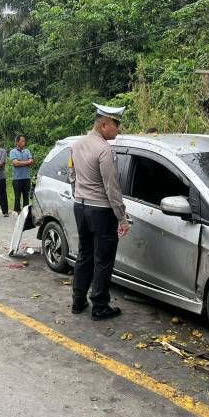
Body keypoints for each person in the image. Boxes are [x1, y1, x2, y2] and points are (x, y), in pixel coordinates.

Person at [68, 104, 130, 321]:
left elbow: (72, 176)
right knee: (103, 259)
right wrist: (122, 217)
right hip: (101, 211)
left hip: (81, 206)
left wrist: (79, 197)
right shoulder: (104, 150)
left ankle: (78, 300)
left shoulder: (77, 145)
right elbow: (112, 188)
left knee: (84, 253)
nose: (118, 130)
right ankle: (100, 306)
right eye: (116, 125)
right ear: (103, 124)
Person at [10, 135, 33, 213]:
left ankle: (25, 211)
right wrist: (27, 162)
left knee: (26, 196)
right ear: (17, 142)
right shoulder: (13, 151)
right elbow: (15, 163)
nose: (24, 142)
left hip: (26, 177)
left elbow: (31, 161)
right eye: (22, 141)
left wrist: (20, 162)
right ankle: (17, 211)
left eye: (24, 141)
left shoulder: (27, 151)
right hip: (17, 179)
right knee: (17, 196)